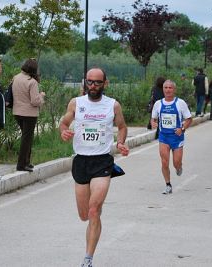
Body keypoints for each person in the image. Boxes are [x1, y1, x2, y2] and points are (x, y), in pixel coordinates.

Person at [59, 68, 129, 267]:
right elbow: (63, 123)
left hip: (102, 161)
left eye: (97, 82)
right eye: (90, 82)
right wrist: (63, 131)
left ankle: (88, 258)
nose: (93, 86)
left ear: (105, 83)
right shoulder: (76, 103)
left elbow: (122, 126)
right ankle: (94, 216)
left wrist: (121, 142)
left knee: (93, 210)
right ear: (85, 83)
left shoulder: (113, 105)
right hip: (81, 161)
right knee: (83, 215)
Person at [151, 80, 192, 195]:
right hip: (164, 137)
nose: (168, 90)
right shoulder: (158, 104)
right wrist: (153, 123)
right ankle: (168, 184)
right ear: (163, 89)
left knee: (176, 163)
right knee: (164, 162)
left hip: (177, 137)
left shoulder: (180, 103)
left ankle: (179, 167)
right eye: (165, 87)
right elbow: (153, 118)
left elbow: (189, 119)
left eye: (170, 88)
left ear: (174, 90)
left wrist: (182, 129)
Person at [12, 58, 45, 172]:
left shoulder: (16, 78)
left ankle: (26, 162)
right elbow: (35, 101)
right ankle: (22, 164)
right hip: (29, 113)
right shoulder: (32, 82)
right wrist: (41, 96)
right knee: (27, 139)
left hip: (17, 111)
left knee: (26, 138)